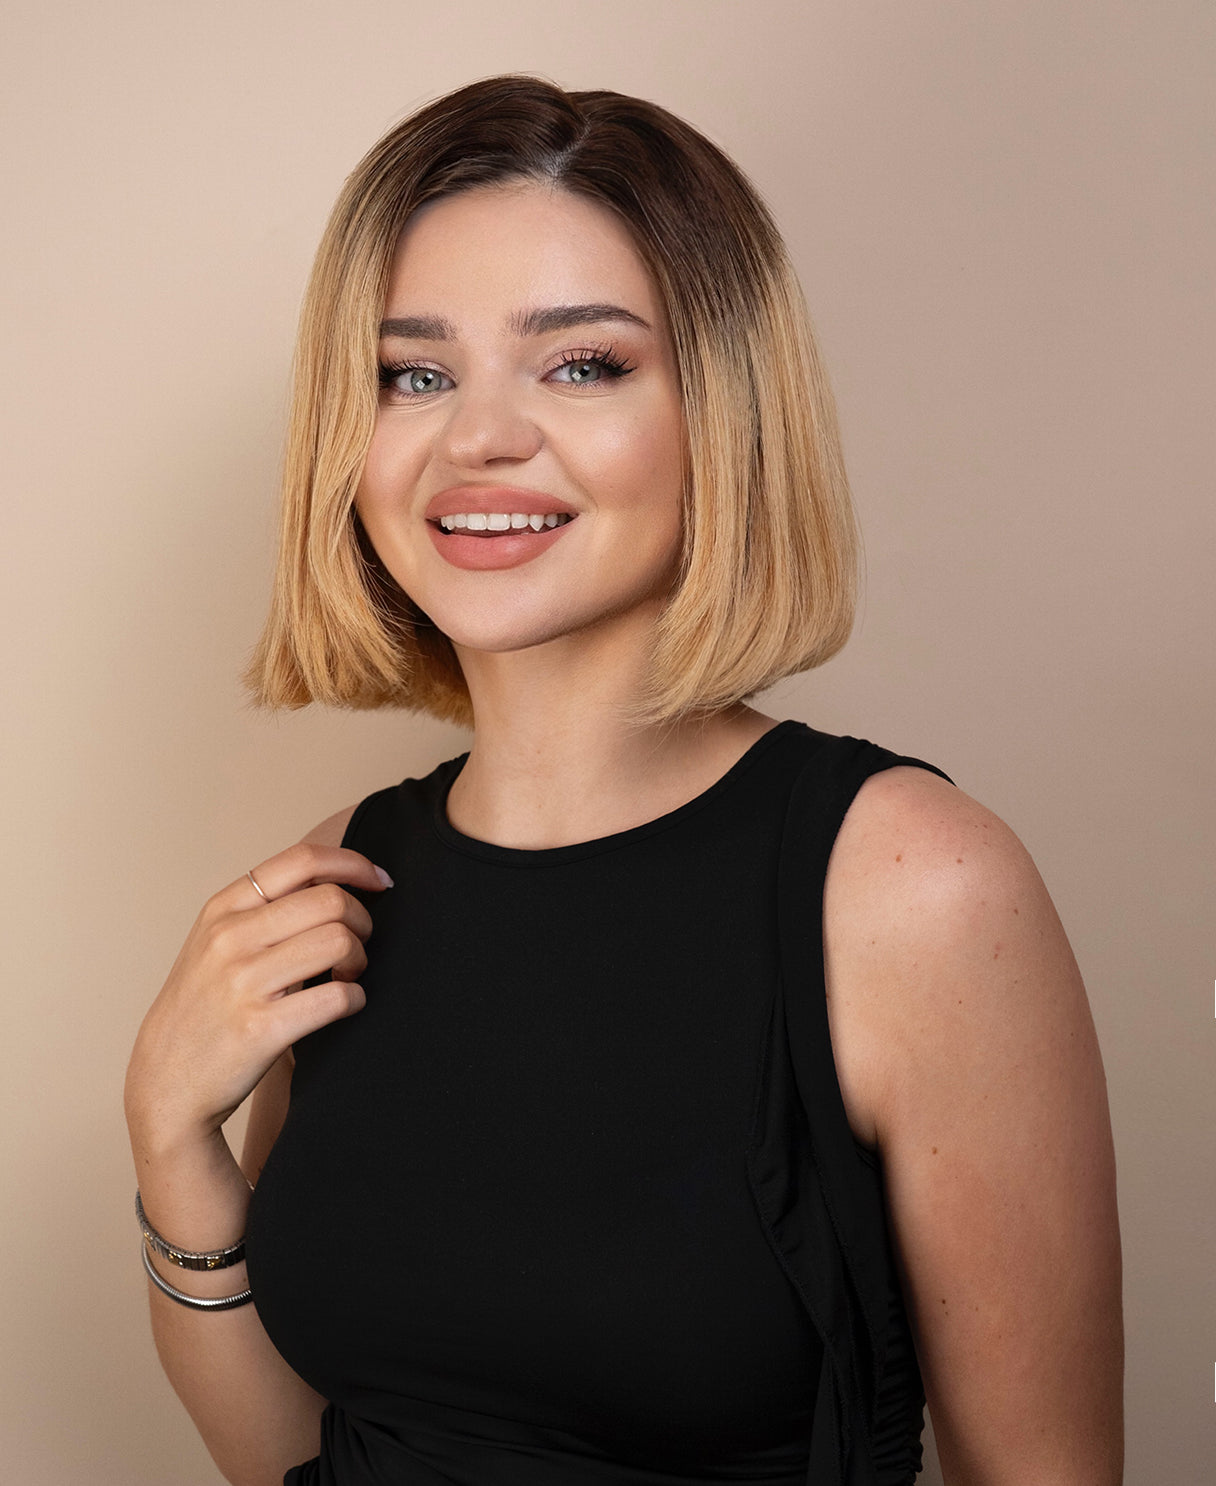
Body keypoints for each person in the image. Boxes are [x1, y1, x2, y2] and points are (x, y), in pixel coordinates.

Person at [124, 75, 1123, 1486]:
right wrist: (171, 1141)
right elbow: (308, 1458)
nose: (478, 437)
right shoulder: (343, 868)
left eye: (581, 364)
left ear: (724, 410)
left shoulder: (914, 889)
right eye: (414, 373)